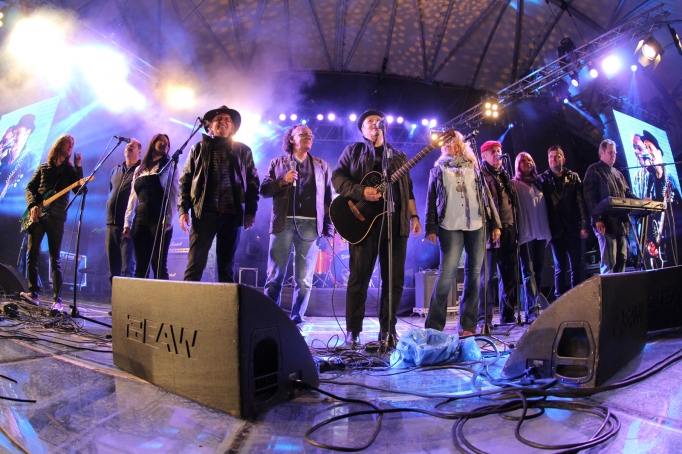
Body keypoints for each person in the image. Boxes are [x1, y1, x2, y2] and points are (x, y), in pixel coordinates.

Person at [332, 109, 421, 349]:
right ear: (362, 130)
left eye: (378, 121)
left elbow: (409, 190)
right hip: (363, 224)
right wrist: (361, 192)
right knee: (359, 278)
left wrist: (414, 216)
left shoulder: (398, 156)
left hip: (395, 223)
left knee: (394, 280)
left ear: (385, 127)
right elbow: (337, 178)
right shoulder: (353, 151)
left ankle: (388, 331)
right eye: (369, 121)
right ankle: (353, 332)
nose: (374, 123)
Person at [424, 132, 501, 335]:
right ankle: (434, 326)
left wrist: (495, 224)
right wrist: (430, 228)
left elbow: (486, 197)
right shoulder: (438, 169)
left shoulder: (474, 168)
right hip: (449, 225)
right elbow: (431, 199)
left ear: (460, 144)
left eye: (452, 141)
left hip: (476, 224)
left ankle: (467, 325)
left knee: (474, 275)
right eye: (445, 142)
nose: (447, 144)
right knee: (446, 273)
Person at [261, 124, 334, 325]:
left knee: (304, 279)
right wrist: (281, 181)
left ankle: (296, 320)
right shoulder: (277, 163)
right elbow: (264, 190)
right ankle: (270, 320)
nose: (308, 136)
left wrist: (328, 227)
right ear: (291, 139)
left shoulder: (322, 165)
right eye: (303, 134)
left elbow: (329, 199)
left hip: (311, 225)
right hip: (283, 223)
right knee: (275, 276)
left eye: (310, 134)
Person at [178, 105, 259, 282]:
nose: (223, 122)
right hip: (203, 213)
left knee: (226, 266)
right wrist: (183, 209)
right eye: (218, 119)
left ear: (233, 127)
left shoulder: (243, 150)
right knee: (195, 264)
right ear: (209, 126)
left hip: (231, 214)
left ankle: (225, 301)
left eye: (227, 120)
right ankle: (187, 300)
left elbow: (253, 183)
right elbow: (185, 181)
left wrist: (250, 212)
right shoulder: (198, 149)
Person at [21, 134, 83, 310]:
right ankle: (34, 293)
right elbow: (29, 188)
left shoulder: (70, 170)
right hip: (37, 216)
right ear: (59, 144)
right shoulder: (43, 167)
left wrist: (78, 167)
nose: (71, 146)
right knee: (32, 254)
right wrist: (32, 205)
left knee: (55, 258)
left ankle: (58, 300)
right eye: (68, 143)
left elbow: (79, 189)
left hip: (56, 217)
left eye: (72, 144)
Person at [477, 140, 519, 326]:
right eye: (492, 151)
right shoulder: (481, 175)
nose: (497, 154)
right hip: (491, 231)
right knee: (486, 277)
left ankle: (507, 315)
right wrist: (493, 226)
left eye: (498, 151)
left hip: (509, 228)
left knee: (509, 275)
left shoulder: (505, 175)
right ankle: (484, 319)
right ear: (483, 155)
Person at [538, 145, 589, 299]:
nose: (553, 159)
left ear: (563, 159)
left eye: (557, 156)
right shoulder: (543, 179)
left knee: (576, 266)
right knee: (559, 267)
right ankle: (559, 299)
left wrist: (584, 225)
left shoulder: (573, 177)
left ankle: (577, 298)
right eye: (551, 157)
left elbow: (581, 203)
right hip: (555, 229)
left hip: (572, 227)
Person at [124, 134, 176, 279]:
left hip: (159, 217)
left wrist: (169, 219)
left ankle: (162, 294)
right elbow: (132, 198)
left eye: (167, 143)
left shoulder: (169, 166)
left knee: (158, 264)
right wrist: (127, 222)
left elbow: (173, 194)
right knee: (141, 265)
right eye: (162, 141)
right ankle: (140, 294)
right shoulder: (139, 169)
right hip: (140, 219)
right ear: (153, 143)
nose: (165, 145)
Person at [583, 139, 637, 274]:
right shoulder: (594, 170)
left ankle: (620, 287)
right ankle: (608, 287)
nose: (613, 155)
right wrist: (597, 218)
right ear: (601, 152)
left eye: (615, 153)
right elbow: (590, 197)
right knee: (609, 261)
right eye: (610, 152)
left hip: (621, 223)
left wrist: (642, 201)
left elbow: (628, 193)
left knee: (622, 259)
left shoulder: (618, 173)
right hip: (606, 223)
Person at [510, 152, 552, 322]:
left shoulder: (540, 183)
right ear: (517, 165)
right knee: (529, 272)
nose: (526, 163)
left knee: (539, 271)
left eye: (529, 160)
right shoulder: (515, 184)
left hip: (541, 232)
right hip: (526, 233)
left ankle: (535, 307)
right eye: (522, 161)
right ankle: (532, 310)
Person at [631, 131, 680, 267]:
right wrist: (650, 241)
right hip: (657, 246)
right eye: (645, 148)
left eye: (649, 148)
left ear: (659, 152)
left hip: (672, 241)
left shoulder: (670, 180)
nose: (647, 152)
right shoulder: (649, 178)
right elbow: (649, 216)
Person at [105, 139, 141, 284]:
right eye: (127, 146)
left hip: (129, 225)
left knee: (127, 268)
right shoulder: (115, 170)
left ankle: (128, 299)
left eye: (132, 146)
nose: (128, 147)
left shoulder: (141, 170)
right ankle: (115, 298)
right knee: (113, 269)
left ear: (139, 151)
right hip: (111, 223)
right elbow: (110, 193)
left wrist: (130, 221)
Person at [0, 114, 37, 201]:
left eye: (18, 133)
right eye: (14, 133)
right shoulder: (5, 158)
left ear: (27, 133)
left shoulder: (31, 158)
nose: (15, 137)